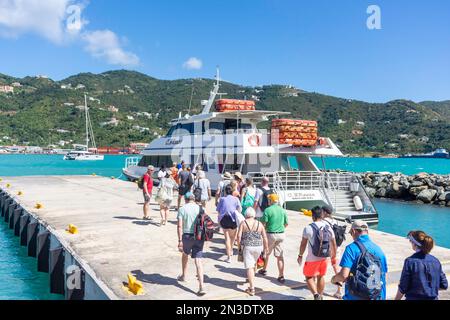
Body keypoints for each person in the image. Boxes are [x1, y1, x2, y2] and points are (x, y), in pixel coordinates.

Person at [331, 220, 388, 300]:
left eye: (351, 233)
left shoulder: (351, 248)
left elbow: (343, 275)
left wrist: (334, 279)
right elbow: (384, 275)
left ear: (354, 231)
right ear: (367, 232)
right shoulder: (379, 250)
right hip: (377, 296)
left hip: (355, 296)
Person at [395, 231, 448, 300]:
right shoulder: (436, 261)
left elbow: (403, 287)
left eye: (411, 241)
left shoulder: (410, 261)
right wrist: (428, 289)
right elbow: (444, 285)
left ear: (414, 244)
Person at [298, 206, 337, 300]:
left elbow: (303, 244)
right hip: (324, 257)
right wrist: (333, 257)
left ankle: (316, 295)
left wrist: (300, 255)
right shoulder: (328, 227)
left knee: (308, 277)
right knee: (321, 276)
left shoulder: (308, 228)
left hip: (312, 258)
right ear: (322, 215)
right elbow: (334, 244)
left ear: (313, 216)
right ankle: (321, 295)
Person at [177, 192, 206, 296]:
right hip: (199, 236)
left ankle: (184, 275)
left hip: (187, 236)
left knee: (185, 254)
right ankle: (201, 286)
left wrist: (180, 240)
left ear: (185, 199)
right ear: (193, 199)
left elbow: (180, 226)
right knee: (198, 260)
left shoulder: (182, 209)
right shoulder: (201, 208)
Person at [237, 207, 269, 296]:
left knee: (249, 266)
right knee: (254, 263)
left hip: (248, 247)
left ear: (246, 214)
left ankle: (251, 288)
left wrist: (239, 247)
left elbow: (239, 236)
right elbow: (265, 237)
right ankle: (251, 278)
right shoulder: (259, 224)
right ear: (254, 214)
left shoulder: (243, 223)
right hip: (259, 246)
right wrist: (266, 248)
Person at [259, 194, 288, 283]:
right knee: (280, 256)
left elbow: (263, 223)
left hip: (270, 234)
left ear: (271, 201)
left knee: (267, 253)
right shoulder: (283, 210)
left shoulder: (267, 210)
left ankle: (264, 270)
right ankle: (281, 275)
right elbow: (286, 224)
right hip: (281, 234)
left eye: (269, 200)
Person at [322, 205, 344, 299]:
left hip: (327, 248)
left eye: (322, 211)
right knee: (336, 268)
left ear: (325, 212)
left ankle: (320, 289)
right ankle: (339, 291)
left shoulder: (323, 222)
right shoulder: (335, 221)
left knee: (322, 268)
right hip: (337, 247)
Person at [217, 184, 242, 263]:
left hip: (224, 218)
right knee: (232, 238)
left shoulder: (222, 199)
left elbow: (218, 210)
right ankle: (230, 251)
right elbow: (240, 209)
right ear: (232, 191)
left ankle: (229, 257)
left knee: (227, 238)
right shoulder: (236, 199)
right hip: (233, 219)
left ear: (225, 191)